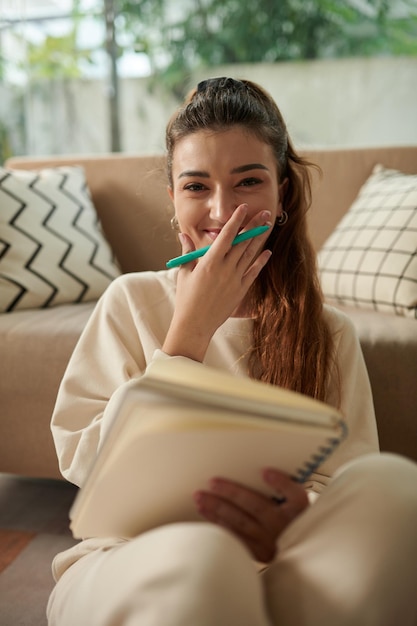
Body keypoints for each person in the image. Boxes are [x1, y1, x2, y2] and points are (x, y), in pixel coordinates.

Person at [47, 77, 417, 626]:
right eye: (197, 187)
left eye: (248, 181)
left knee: (396, 489)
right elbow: (85, 465)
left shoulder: (328, 331)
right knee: (203, 560)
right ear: (173, 199)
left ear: (281, 193)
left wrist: (298, 520)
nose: (224, 211)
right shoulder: (132, 301)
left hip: (279, 562)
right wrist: (187, 336)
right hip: (133, 558)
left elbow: (345, 489)